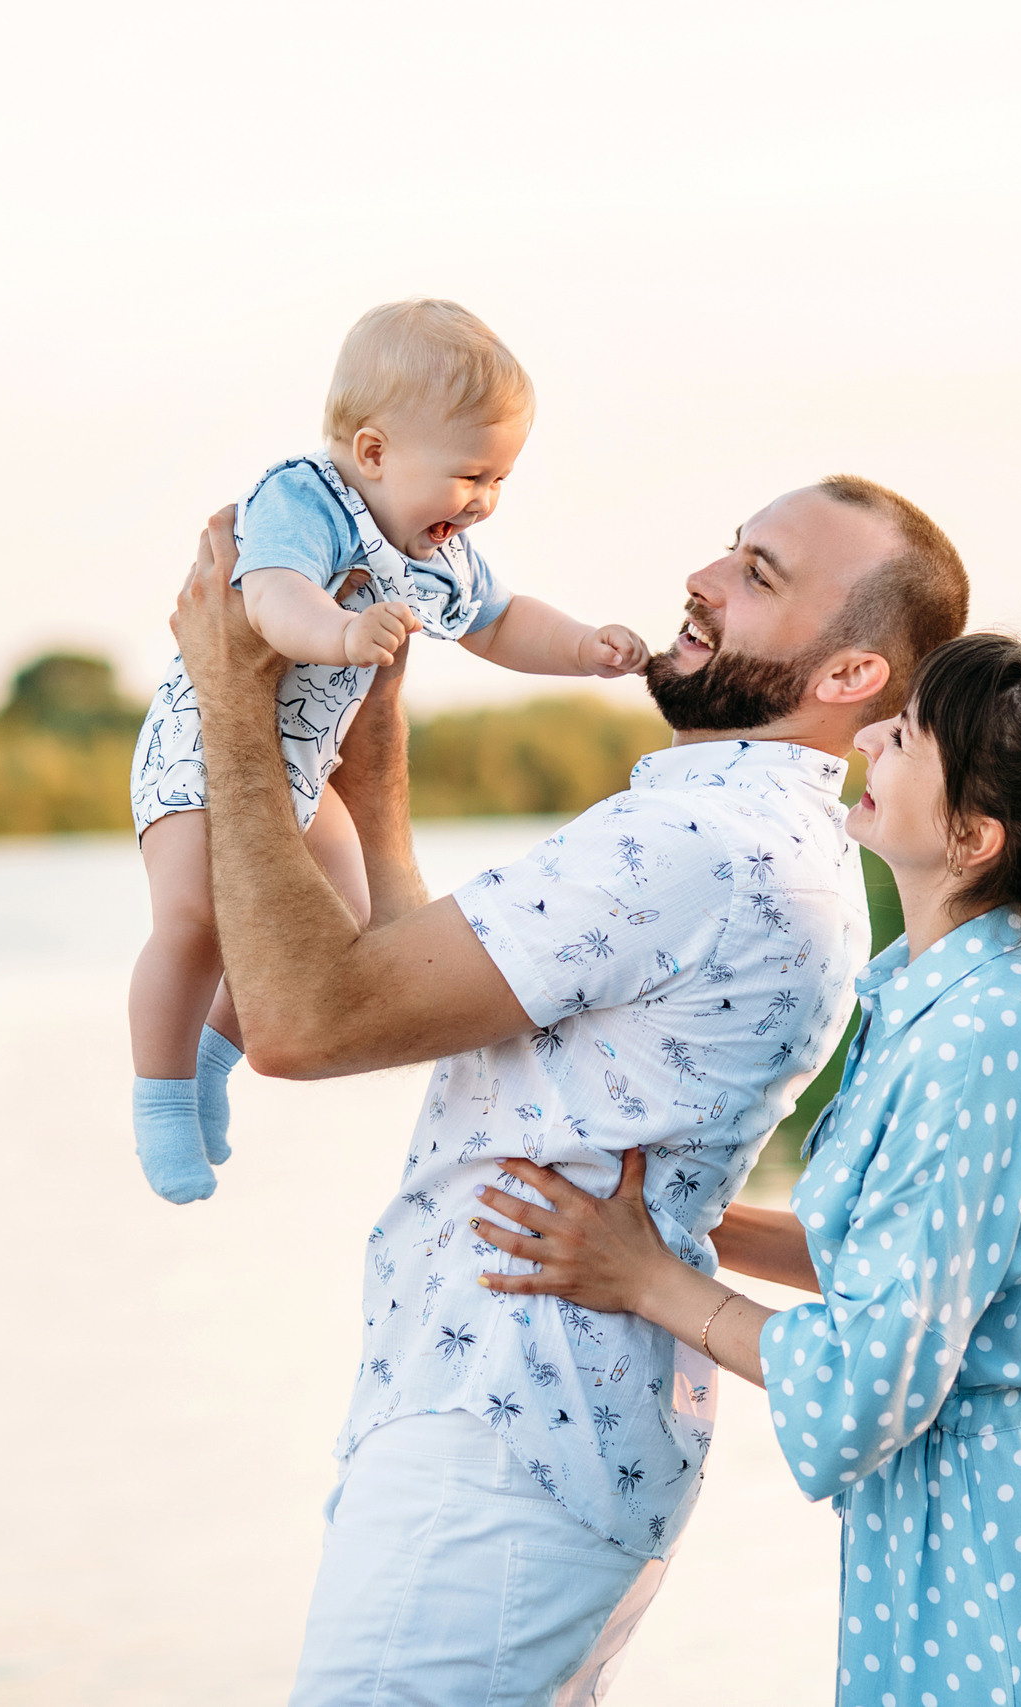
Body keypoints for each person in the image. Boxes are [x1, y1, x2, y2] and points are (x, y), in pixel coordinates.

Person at [168, 474, 969, 1702]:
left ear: (849, 675)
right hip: (539, 1427)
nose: (701, 583)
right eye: (727, 552)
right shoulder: (754, 840)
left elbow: (302, 1021)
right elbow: (419, 1003)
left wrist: (233, 701)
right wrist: (377, 789)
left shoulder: (702, 846)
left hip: (501, 1446)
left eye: (757, 576)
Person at [470, 633, 1021, 1707]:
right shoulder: (950, 991)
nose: (874, 734)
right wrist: (676, 1222)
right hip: (989, 1544)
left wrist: (645, 1283)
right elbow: (903, 1272)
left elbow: (859, 1392)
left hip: (1013, 1587)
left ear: (973, 836)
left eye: (910, 734)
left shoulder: (987, 1034)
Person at [127, 299, 650, 1204]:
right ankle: (161, 1099)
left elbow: (502, 623)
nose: (484, 502)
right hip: (199, 747)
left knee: (336, 923)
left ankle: (213, 1055)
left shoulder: (439, 551)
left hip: (300, 766)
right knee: (195, 919)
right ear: (374, 453)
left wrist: (582, 650)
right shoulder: (303, 497)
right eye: (470, 475)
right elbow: (270, 595)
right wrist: (339, 633)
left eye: (500, 481)